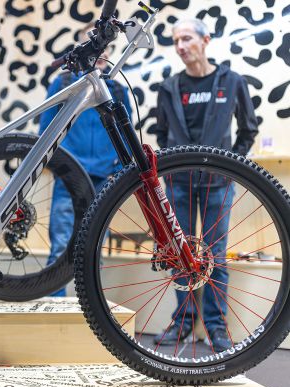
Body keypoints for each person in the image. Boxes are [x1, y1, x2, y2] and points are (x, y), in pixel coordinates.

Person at [153, 18, 258, 352]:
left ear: (205, 40)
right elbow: (161, 133)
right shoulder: (169, 88)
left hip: (218, 184)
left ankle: (215, 325)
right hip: (179, 184)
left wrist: (231, 165)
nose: (181, 46)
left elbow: (248, 129)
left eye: (187, 38)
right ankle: (183, 322)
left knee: (215, 255)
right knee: (179, 255)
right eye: (176, 41)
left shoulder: (232, 81)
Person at [39, 41, 132, 296]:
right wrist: (58, 164)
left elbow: (126, 132)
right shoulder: (63, 83)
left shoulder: (117, 89)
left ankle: (91, 309)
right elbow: (46, 127)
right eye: (95, 46)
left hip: (103, 180)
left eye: (105, 47)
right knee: (61, 248)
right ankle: (53, 308)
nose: (101, 52)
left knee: (94, 250)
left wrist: (118, 170)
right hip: (69, 177)